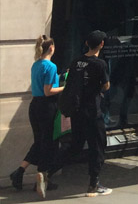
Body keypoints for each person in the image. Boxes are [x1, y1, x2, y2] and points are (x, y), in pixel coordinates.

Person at [9, 36, 65, 197]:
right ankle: (41, 178)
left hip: (35, 106)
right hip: (47, 107)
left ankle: (20, 172)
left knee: (40, 141)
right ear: (52, 48)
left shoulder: (36, 65)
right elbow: (49, 91)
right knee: (48, 142)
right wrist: (64, 87)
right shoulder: (51, 66)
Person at [64, 30, 112, 196]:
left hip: (77, 111)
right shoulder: (99, 64)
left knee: (76, 145)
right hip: (93, 110)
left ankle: (48, 169)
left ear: (86, 43)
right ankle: (94, 183)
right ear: (101, 44)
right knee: (97, 146)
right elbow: (106, 85)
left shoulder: (76, 61)